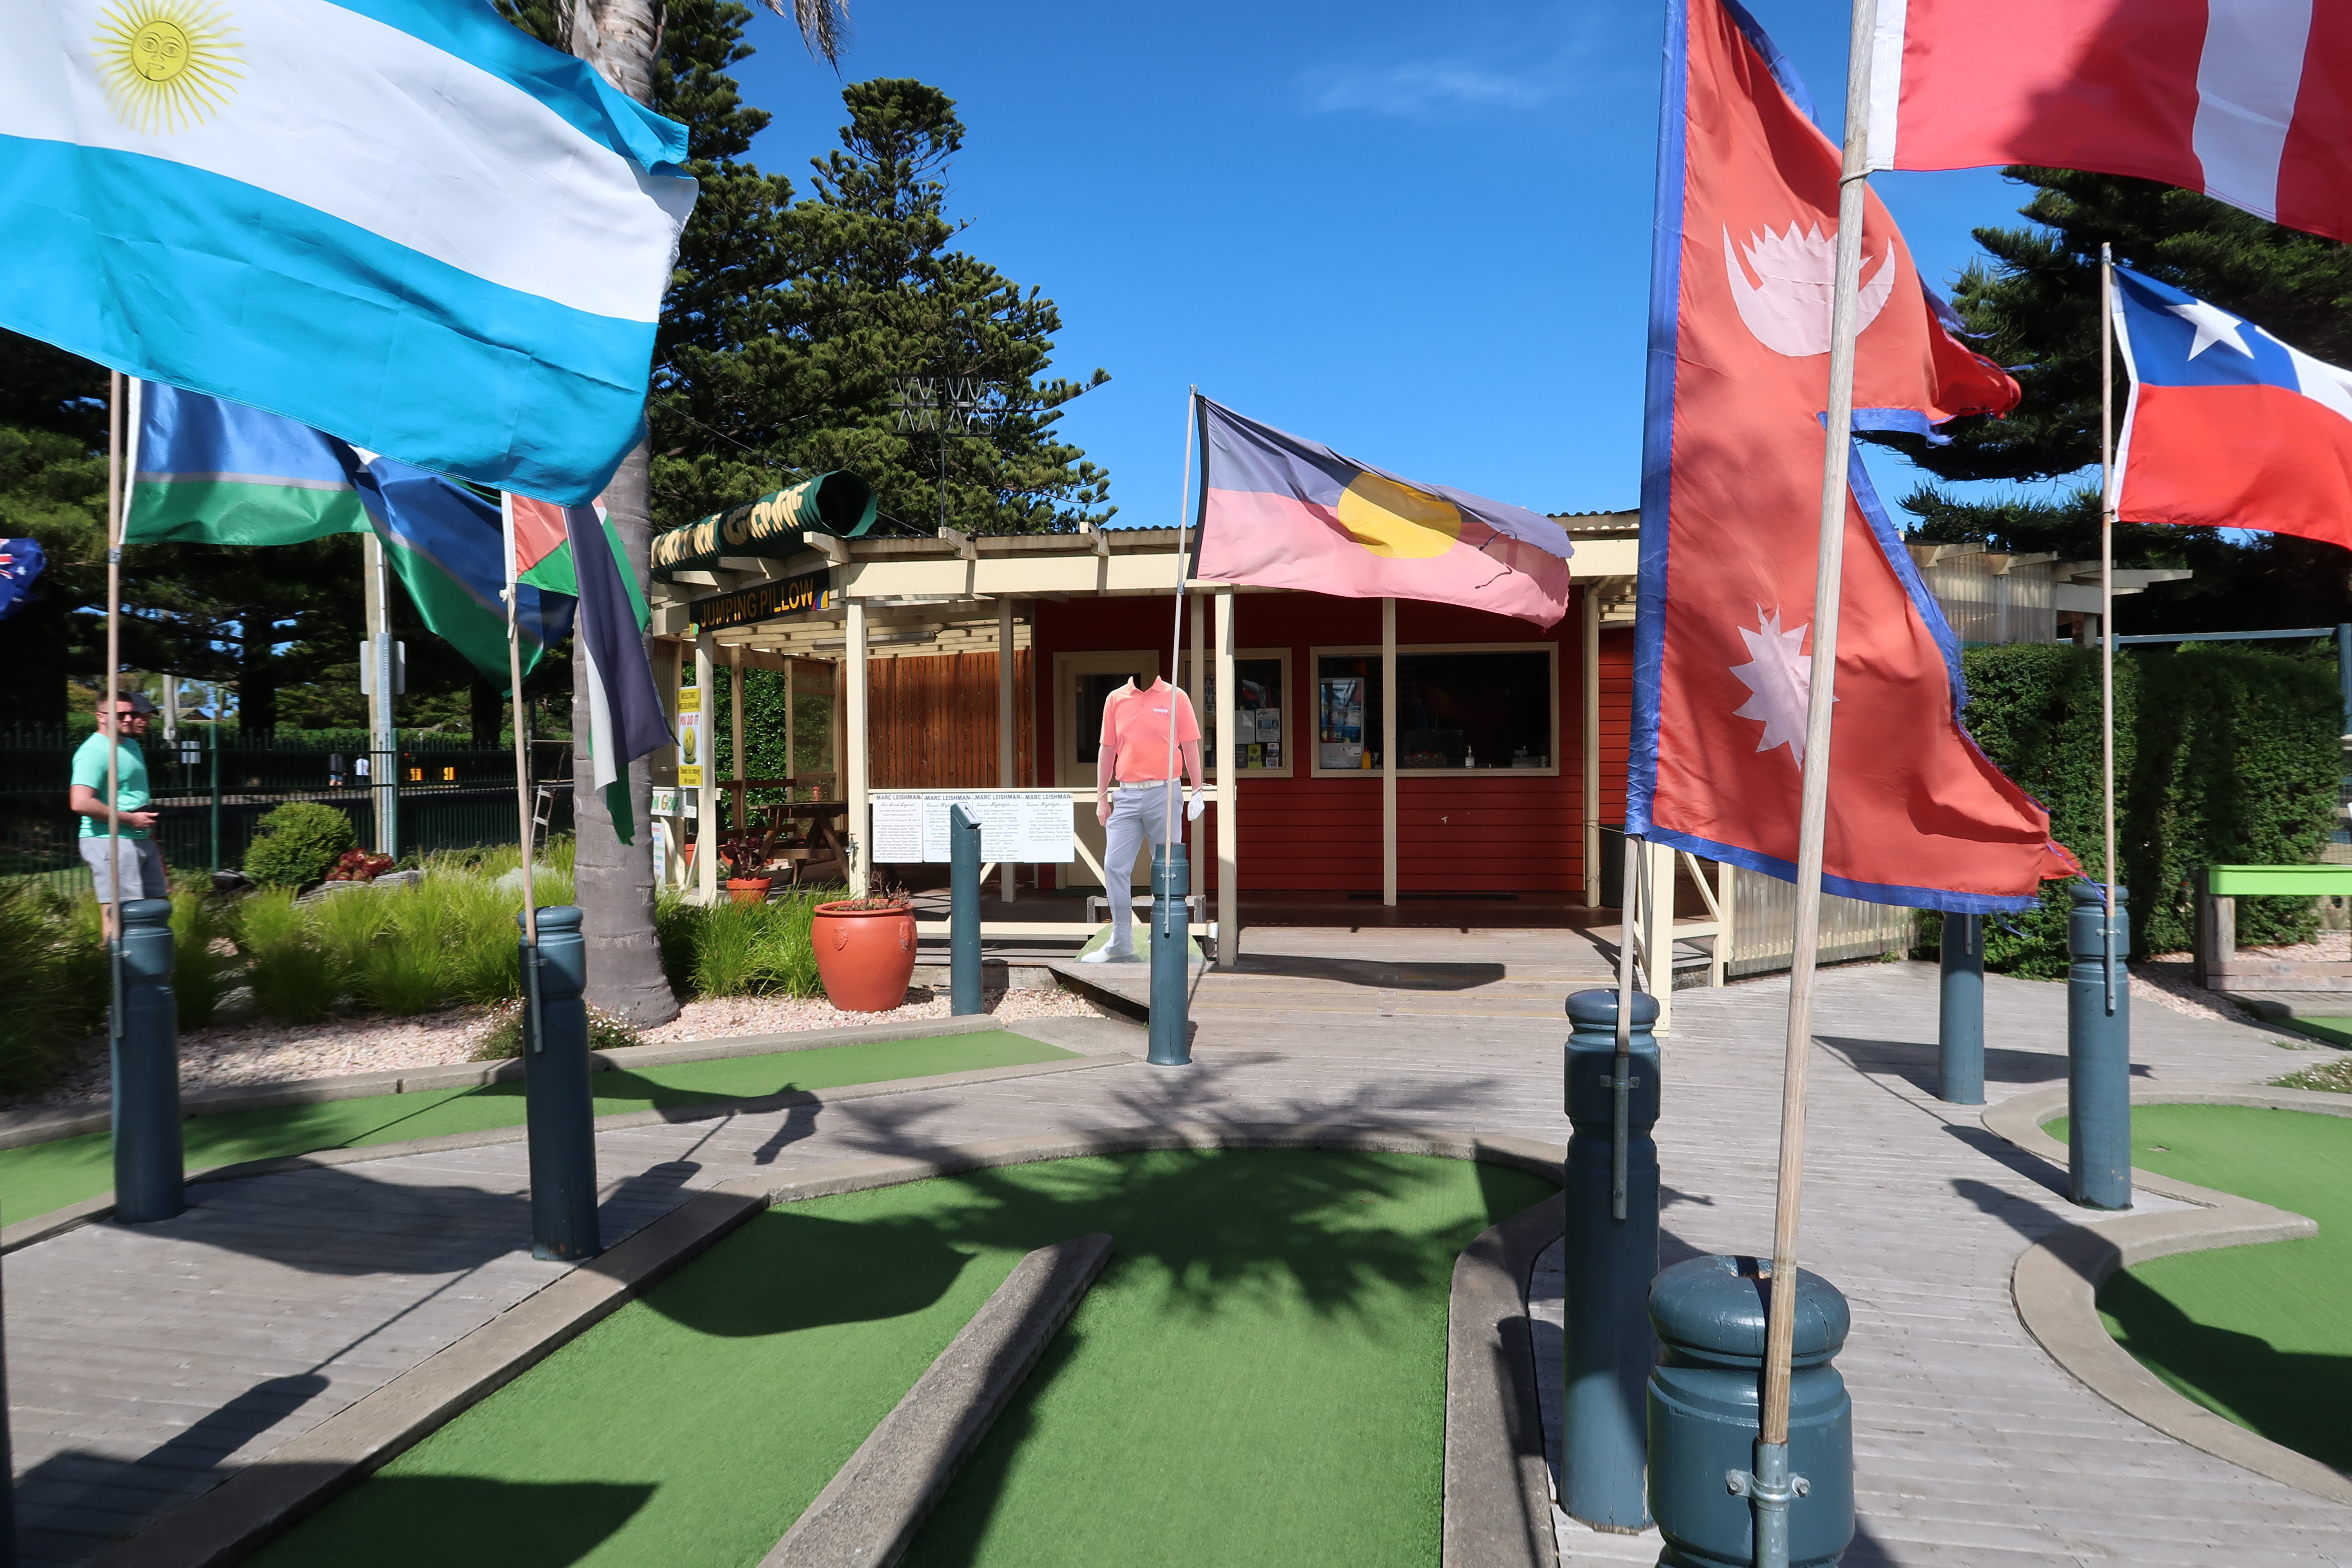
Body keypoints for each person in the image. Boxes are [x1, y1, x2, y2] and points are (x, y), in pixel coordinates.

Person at [1085, 676, 1204, 964]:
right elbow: (1107, 749)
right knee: (1114, 866)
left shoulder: (1177, 696)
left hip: (1166, 791)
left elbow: (1190, 746)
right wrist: (1101, 797)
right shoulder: (1115, 699)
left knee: (1166, 867)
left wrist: (1197, 789)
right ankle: (1121, 942)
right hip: (1126, 795)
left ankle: (1163, 937)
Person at [70, 691, 166, 938]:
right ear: (101, 717)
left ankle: (152, 968)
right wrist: (131, 819)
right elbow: (81, 803)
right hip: (109, 840)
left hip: (141, 837)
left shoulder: (130, 745)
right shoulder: (93, 752)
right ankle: (114, 971)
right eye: (120, 714)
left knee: (157, 907)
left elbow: (134, 798)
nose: (128, 719)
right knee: (120, 915)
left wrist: (150, 837)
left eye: (131, 713)